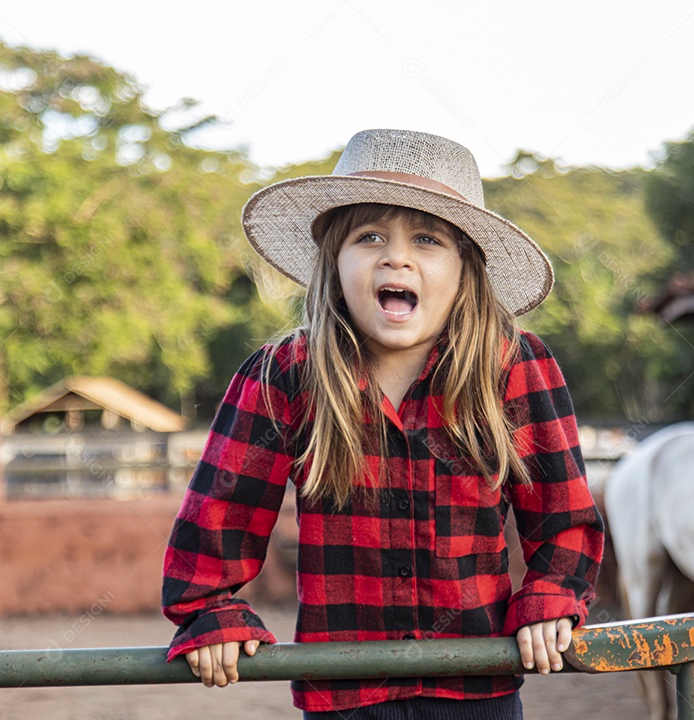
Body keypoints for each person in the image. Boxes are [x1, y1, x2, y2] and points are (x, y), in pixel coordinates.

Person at [161, 128, 604, 719]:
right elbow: (218, 515)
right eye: (370, 237)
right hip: (345, 692)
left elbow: (566, 520)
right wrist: (209, 610)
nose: (397, 257)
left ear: (465, 271)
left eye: (427, 240)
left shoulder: (514, 366)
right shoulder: (284, 375)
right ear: (336, 264)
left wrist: (551, 596)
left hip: (475, 690)